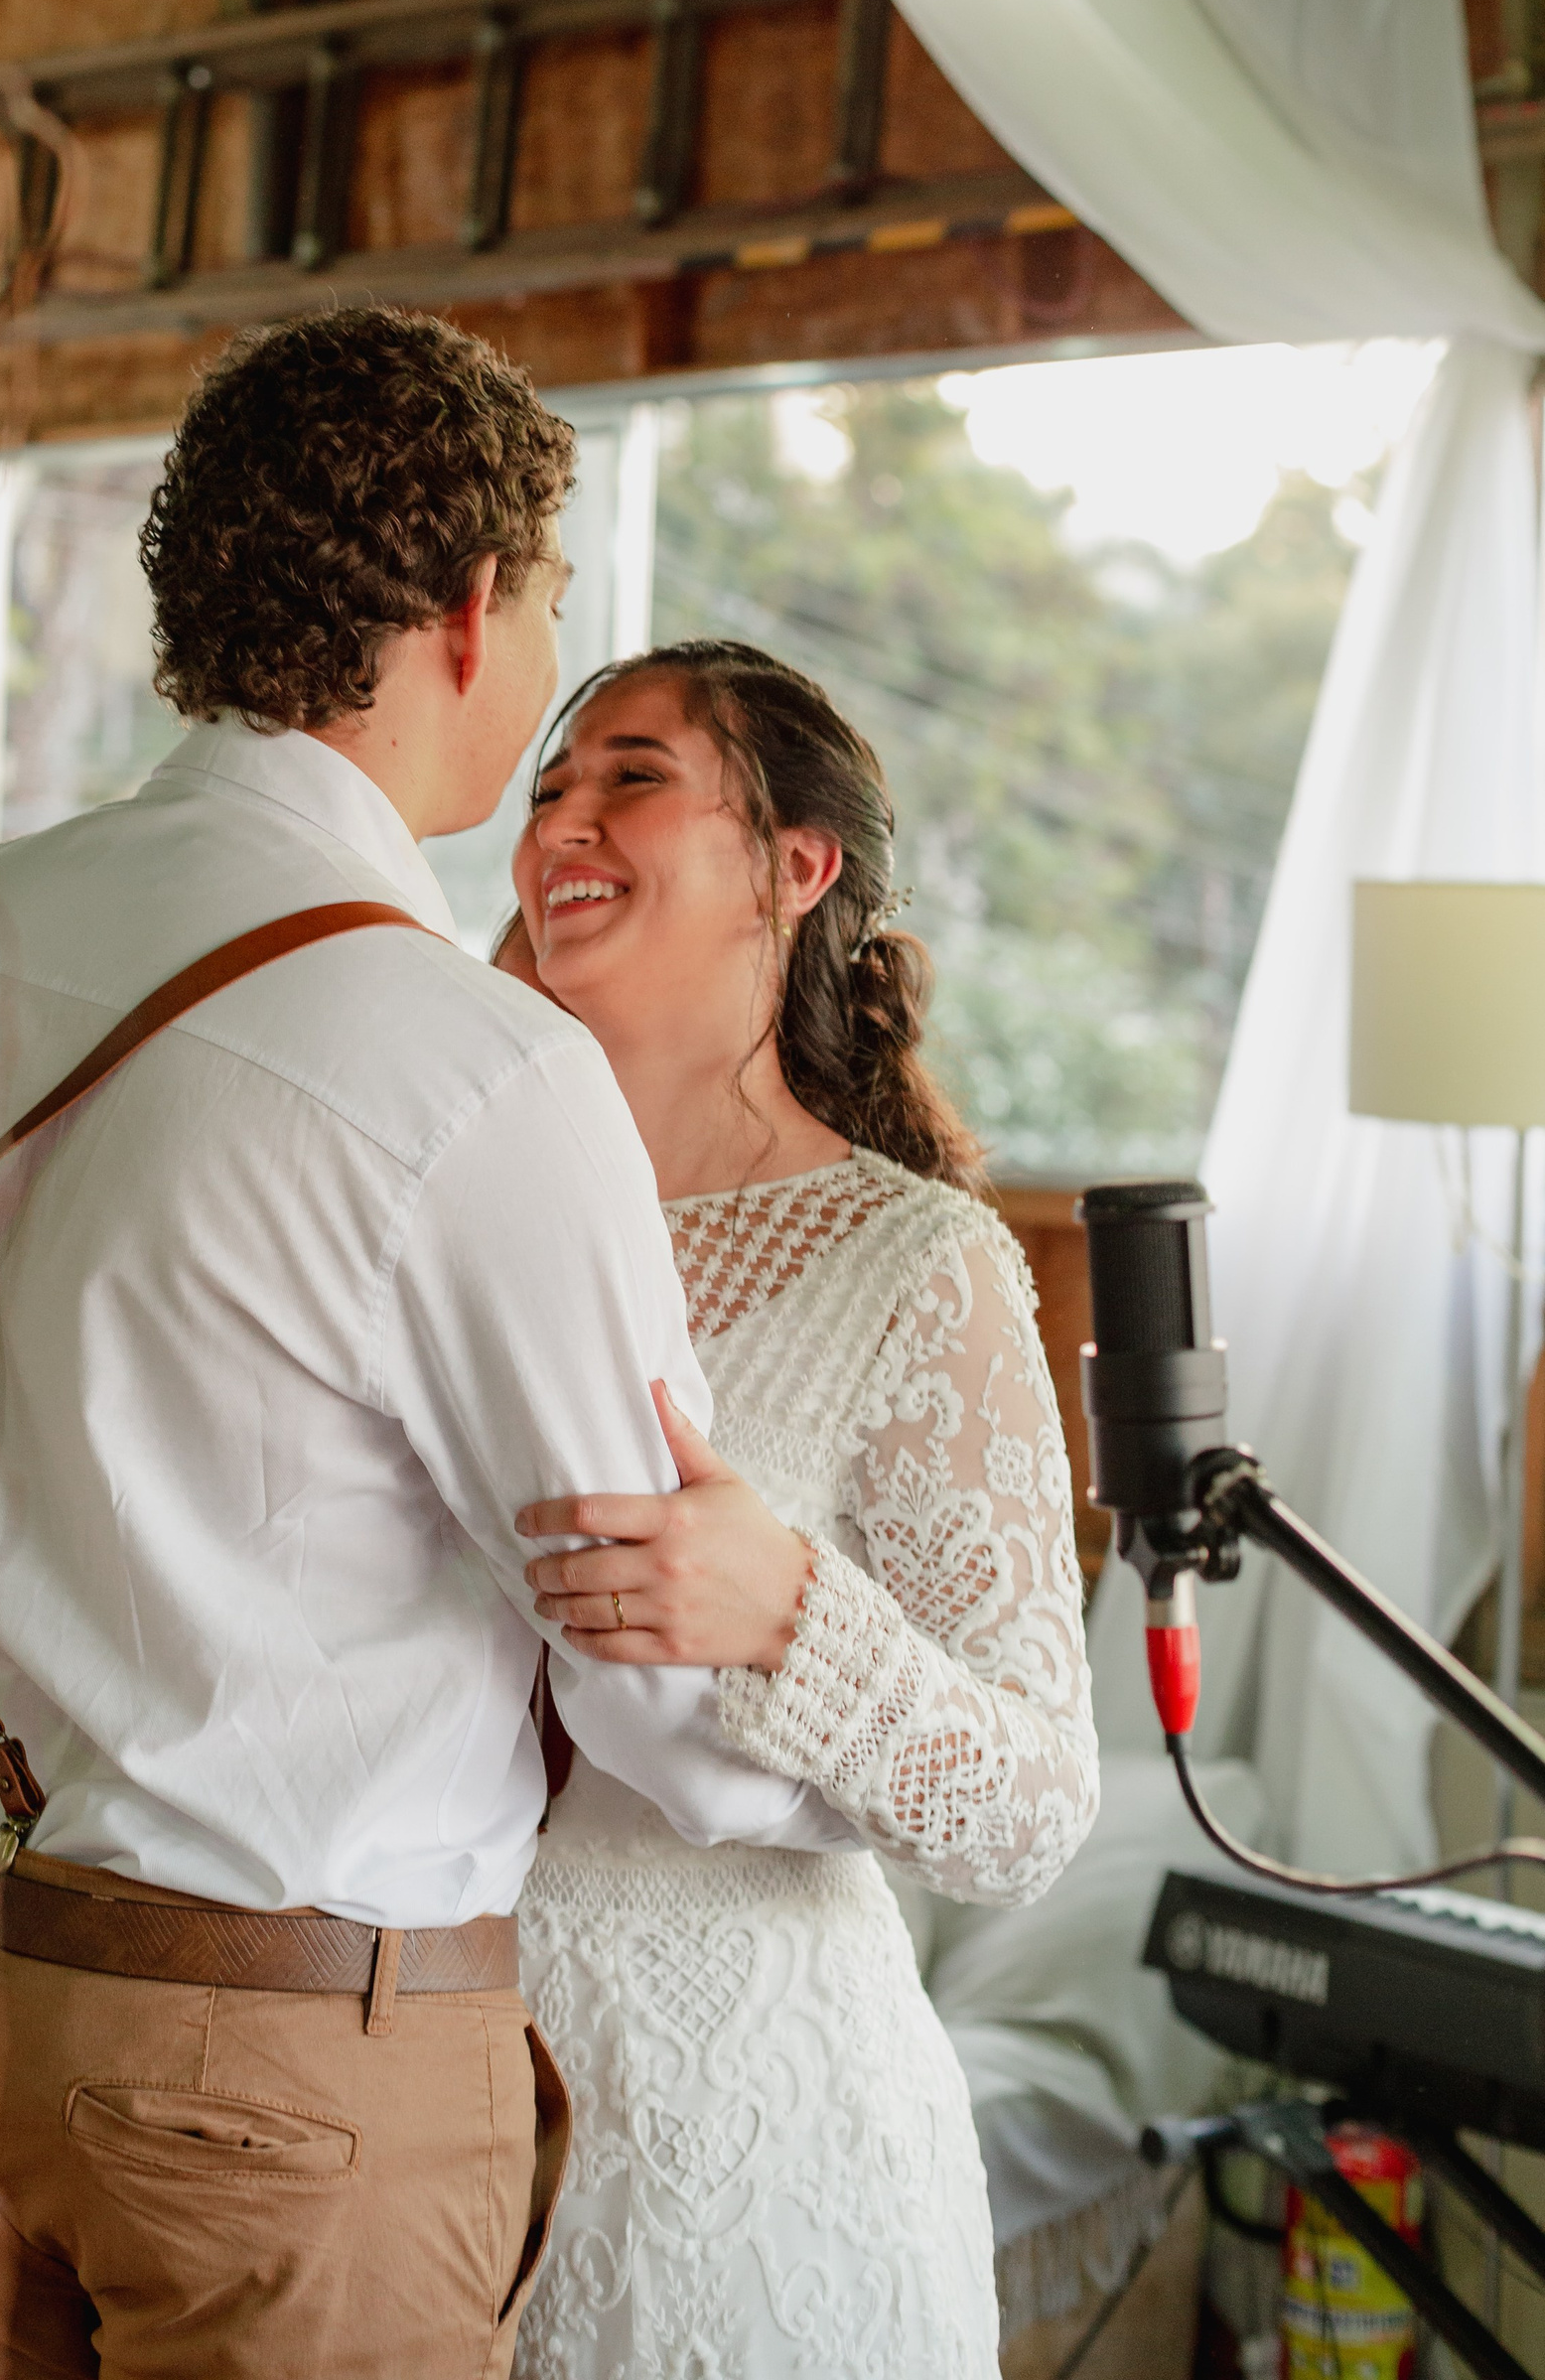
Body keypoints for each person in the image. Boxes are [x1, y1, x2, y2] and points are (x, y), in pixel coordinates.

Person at [0, 315, 846, 2380]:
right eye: (547, 600)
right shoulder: (472, 1066)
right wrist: (857, 1762)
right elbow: (653, 1697)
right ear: (468, 609)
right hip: (267, 2076)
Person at [498, 640, 1100, 2380]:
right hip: (425, 2124)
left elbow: (1036, 1809)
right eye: (545, 789)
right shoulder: (473, 1224)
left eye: (631, 776)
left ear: (795, 864)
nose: (560, 823)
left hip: (758, 2164)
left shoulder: (914, 1264)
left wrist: (791, 1614)